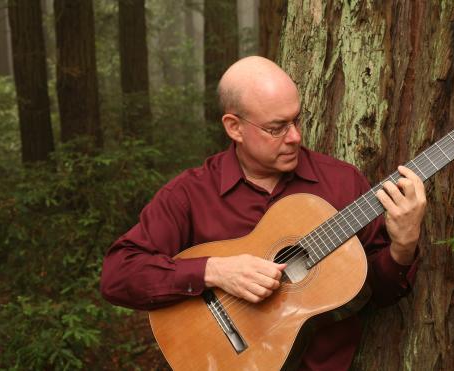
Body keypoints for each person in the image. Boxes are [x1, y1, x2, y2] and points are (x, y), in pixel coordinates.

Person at [101, 56, 426, 370]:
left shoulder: (341, 183)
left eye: (297, 120)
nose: (295, 137)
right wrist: (213, 271)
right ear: (234, 127)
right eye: (277, 128)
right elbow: (118, 274)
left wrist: (403, 246)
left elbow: (379, 294)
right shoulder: (191, 194)